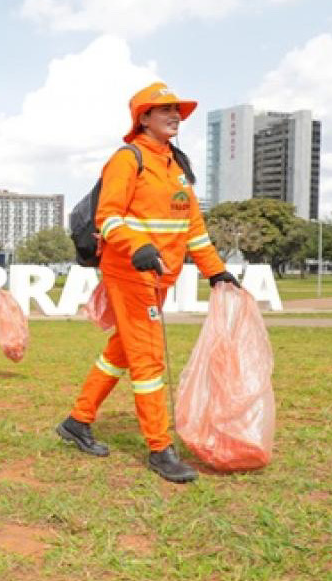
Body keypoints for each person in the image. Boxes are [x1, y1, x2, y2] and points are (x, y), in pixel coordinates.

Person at [55, 82, 239, 484]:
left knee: (122, 351)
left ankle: (77, 421)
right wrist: (137, 246)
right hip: (129, 272)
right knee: (149, 359)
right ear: (143, 118)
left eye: (177, 110)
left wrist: (215, 270)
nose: (175, 116)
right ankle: (159, 448)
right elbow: (108, 217)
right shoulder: (128, 159)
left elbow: (194, 230)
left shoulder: (176, 167)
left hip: (160, 275)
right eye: (165, 110)